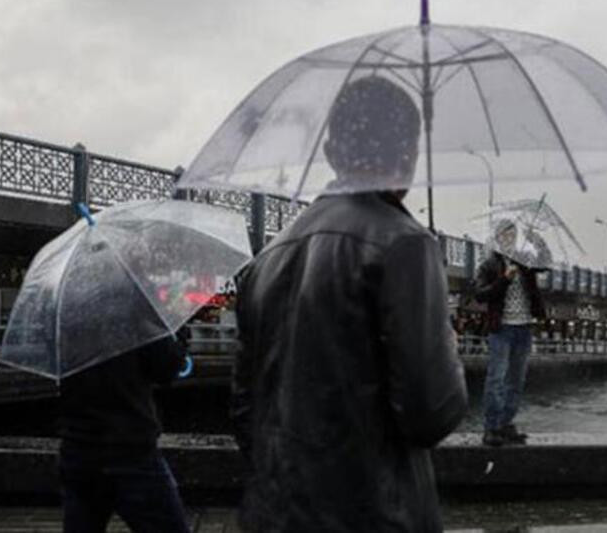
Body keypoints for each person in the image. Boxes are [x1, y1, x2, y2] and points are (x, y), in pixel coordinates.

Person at [232, 75, 468, 532]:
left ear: (331, 153)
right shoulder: (404, 244)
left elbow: (245, 413)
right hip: (373, 516)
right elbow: (430, 413)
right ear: (408, 156)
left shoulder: (268, 257)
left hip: (274, 514)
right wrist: (447, 347)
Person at [57, 331, 191, 533]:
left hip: (79, 446)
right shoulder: (137, 315)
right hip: (131, 448)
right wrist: (178, 336)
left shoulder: (67, 322)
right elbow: (166, 370)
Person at [474, 219, 548, 447]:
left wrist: (538, 242)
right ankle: (491, 427)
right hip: (502, 329)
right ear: (497, 238)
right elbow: (480, 294)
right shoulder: (489, 265)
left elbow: (546, 263)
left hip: (524, 327)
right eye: (504, 235)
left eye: (512, 234)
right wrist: (504, 279)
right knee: (496, 379)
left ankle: (506, 424)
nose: (509, 238)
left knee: (516, 380)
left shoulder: (525, 262)